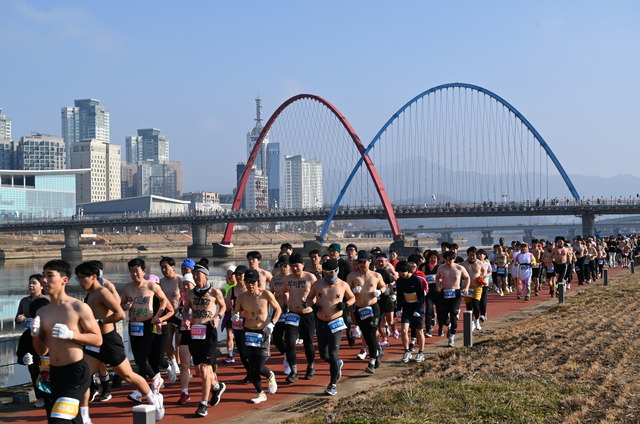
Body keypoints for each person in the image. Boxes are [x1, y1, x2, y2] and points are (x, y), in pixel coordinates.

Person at [75, 261, 164, 421]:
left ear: (93, 276)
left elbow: (120, 314)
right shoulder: (90, 294)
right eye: (78, 278)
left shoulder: (103, 292)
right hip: (94, 343)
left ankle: (154, 400)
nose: (80, 282)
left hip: (109, 342)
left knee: (128, 376)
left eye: (83, 278)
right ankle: (85, 417)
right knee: (83, 378)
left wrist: (100, 322)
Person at [31, 259, 102, 424]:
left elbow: (97, 339)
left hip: (75, 373)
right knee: (69, 419)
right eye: (43, 276)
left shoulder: (78, 308)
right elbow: (42, 351)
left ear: (64, 280)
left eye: (49, 276)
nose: (44, 280)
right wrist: (35, 335)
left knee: (59, 420)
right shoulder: (42, 312)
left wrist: (71, 335)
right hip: (54, 374)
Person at [121, 258, 174, 402]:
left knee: (143, 356)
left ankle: (147, 385)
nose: (134, 274)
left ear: (144, 271)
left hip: (148, 325)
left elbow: (164, 301)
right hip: (133, 326)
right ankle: (149, 383)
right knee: (138, 358)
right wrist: (126, 307)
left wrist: (158, 316)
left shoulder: (152, 286)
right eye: (131, 271)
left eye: (137, 271)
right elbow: (122, 304)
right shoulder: (127, 288)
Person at [182, 262, 227, 417]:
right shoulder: (190, 294)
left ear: (206, 275)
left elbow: (223, 307)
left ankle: (203, 404)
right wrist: (186, 319)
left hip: (209, 331)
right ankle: (217, 386)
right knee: (198, 370)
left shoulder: (215, 292)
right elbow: (185, 310)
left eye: (198, 274)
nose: (195, 277)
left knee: (206, 369)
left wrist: (218, 317)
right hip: (195, 332)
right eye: (194, 274)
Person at [307, 258, 355, 396]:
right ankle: (337, 363)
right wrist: (313, 305)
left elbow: (352, 298)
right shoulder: (317, 284)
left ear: (337, 271)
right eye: (326, 272)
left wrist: (345, 305)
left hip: (336, 322)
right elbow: (309, 298)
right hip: (321, 322)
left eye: (331, 272)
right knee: (323, 354)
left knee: (333, 353)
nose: (328, 275)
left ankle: (332, 384)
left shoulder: (343, 284)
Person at [232, 269, 282, 404]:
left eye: (252, 282)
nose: (250, 285)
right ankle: (260, 392)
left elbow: (278, 309)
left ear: (257, 282)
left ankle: (270, 374)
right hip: (248, 332)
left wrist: (272, 323)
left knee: (259, 367)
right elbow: (236, 311)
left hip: (263, 331)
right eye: (247, 282)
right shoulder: (241, 297)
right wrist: (235, 315)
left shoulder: (266, 294)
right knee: (250, 366)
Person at [347, 251, 386, 373]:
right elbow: (346, 292)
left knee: (372, 331)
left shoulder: (376, 275)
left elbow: (384, 287)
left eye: (364, 262)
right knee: (366, 334)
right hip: (359, 309)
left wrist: (379, 292)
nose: (361, 264)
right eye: (359, 262)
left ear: (370, 261)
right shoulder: (352, 276)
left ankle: (372, 361)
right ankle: (377, 351)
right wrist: (353, 290)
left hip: (373, 308)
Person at [282, 253, 317, 382]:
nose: (294, 269)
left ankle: (311, 367)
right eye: (292, 266)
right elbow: (285, 291)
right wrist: (285, 302)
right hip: (292, 314)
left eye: (297, 266)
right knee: (290, 343)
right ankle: (294, 372)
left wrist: (311, 301)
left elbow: (318, 292)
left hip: (307, 313)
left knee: (308, 343)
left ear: (303, 265)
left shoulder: (310, 277)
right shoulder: (287, 279)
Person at [16, 296, 50, 409]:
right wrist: (23, 357)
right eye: (36, 316)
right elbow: (20, 351)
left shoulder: (57, 329)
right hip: (38, 366)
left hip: (56, 367)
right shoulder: (28, 334)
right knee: (35, 373)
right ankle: (41, 397)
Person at [435, 251, 471, 347]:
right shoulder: (441, 268)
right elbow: (437, 278)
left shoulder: (459, 268)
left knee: (454, 315)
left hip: (456, 293)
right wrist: (438, 286)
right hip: (444, 293)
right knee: (442, 317)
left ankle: (451, 337)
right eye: (446, 260)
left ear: (454, 259)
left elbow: (467, 277)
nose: (448, 262)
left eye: (450, 260)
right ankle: (449, 325)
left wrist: (466, 288)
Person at [395, 260, 426, 363]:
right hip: (407, 308)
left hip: (417, 308)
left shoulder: (416, 280)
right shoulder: (400, 281)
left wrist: (418, 309)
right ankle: (407, 351)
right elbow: (400, 296)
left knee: (419, 331)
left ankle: (421, 353)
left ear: (407, 270)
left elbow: (421, 296)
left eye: (401, 272)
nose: (399, 274)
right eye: (398, 272)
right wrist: (398, 309)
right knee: (404, 330)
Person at [159, 257, 182, 384]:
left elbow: (185, 297)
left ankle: (183, 364)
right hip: (166, 314)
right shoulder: (161, 282)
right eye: (162, 267)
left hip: (178, 313)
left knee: (179, 341)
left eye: (166, 267)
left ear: (173, 267)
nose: (164, 270)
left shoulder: (179, 280)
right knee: (167, 341)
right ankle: (174, 364)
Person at [270, 257, 291, 375]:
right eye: (281, 265)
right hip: (278, 311)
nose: (283, 268)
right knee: (277, 337)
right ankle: (286, 353)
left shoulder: (292, 279)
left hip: (289, 310)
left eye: (285, 265)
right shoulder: (275, 279)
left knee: (288, 336)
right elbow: (271, 294)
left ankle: (289, 361)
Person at [419, 250, 440, 337]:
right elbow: (423, 279)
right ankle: (428, 330)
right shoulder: (425, 267)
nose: (433, 260)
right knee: (428, 310)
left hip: (438, 291)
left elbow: (443, 278)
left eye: (435, 258)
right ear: (428, 259)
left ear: (437, 259)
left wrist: (438, 281)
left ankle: (441, 327)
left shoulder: (439, 267)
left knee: (440, 310)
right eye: (431, 258)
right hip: (428, 292)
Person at [221, 265, 238, 364]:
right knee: (229, 334)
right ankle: (230, 355)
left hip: (240, 314)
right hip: (229, 314)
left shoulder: (241, 286)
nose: (229, 276)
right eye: (228, 274)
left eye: (231, 273)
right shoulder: (226, 287)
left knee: (240, 336)